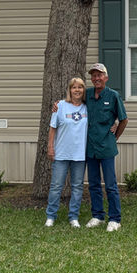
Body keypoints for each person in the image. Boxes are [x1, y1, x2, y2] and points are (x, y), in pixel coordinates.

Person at [83, 63, 127, 232]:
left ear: (106, 78)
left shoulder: (113, 95)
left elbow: (124, 119)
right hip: (91, 147)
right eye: (93, 75)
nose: (96, 78)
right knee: (93, 184)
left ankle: (115, 219)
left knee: (110, 185)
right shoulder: (87, 94)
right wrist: (58, 103)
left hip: (107, 147)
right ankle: (97, 216)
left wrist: (115, 136)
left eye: (99, 75)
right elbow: (72, 100)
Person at [45, 77, 88, 227]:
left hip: (80, 154)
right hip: (61, 153)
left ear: (84, 90)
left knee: (77, 186)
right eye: (74, 87)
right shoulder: (61, 106)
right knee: (56, 186)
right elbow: (52, 127)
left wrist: (114, 124)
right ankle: (51, 216)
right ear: (69, 90)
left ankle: (73, 217)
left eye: (80, 87)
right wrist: (50, 147)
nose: (77, 90)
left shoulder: (87, 107)